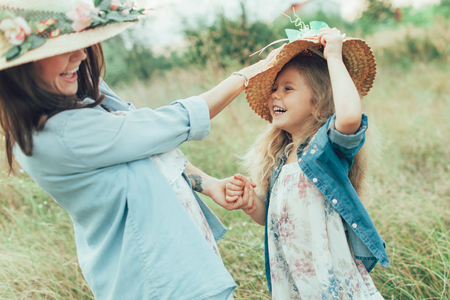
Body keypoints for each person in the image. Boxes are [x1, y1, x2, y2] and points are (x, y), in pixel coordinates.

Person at [0, 1, 280, 299]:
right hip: (155, 277)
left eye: (82, 42)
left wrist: (207, 184)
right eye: (62, 47)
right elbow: (165, 125)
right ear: (22, 63)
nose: (80, 54)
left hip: (174, 253)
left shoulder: (74, 92)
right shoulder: (60, 133)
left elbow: (142, 145)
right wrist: (248, 74)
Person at [225, 27, 389, 299]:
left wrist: (334, 56)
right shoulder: (280, 159)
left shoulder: (327, 150)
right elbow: (274, 219)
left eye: (287, 89)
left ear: (320, 103)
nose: (275, 95)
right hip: (295, 282)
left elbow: (349, 118)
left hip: (332, 278)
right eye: (274, 89)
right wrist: (250, 202)